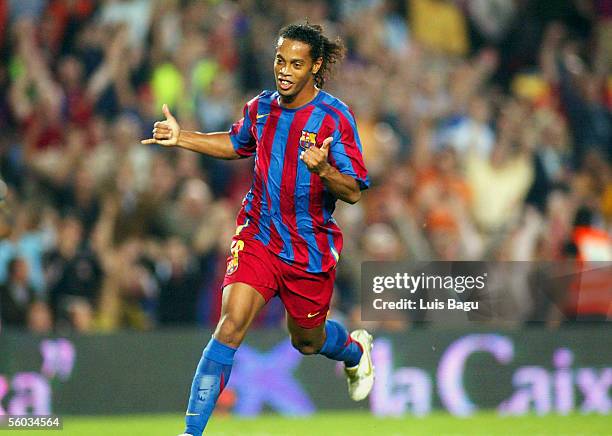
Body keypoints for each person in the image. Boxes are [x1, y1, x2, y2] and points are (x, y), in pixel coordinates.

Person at [142, 23, 374, 436]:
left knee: (306, 340)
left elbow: (354, 190)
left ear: (315, 66)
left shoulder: (335, 118)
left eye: (296, 64)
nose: (284, 71)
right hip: (259, 235)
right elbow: (235, 143)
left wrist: (324, 169)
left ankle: (354, 350)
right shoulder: (261, 107)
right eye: (280, 60)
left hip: (308, 250)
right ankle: (190, 432)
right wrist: (183, 138)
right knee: (230, 324)